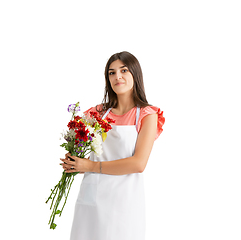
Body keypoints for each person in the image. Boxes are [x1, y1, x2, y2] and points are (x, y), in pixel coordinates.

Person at [61, 51, 165, 240]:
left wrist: (90, 166)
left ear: (135, 73)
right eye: (111, 72)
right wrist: (74, 162)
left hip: (124, 204)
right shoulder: (97, 113)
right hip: (91, 199)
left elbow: (138, 164)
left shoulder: (147, 115)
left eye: (123, 70)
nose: (117, 76)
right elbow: (82, 150)